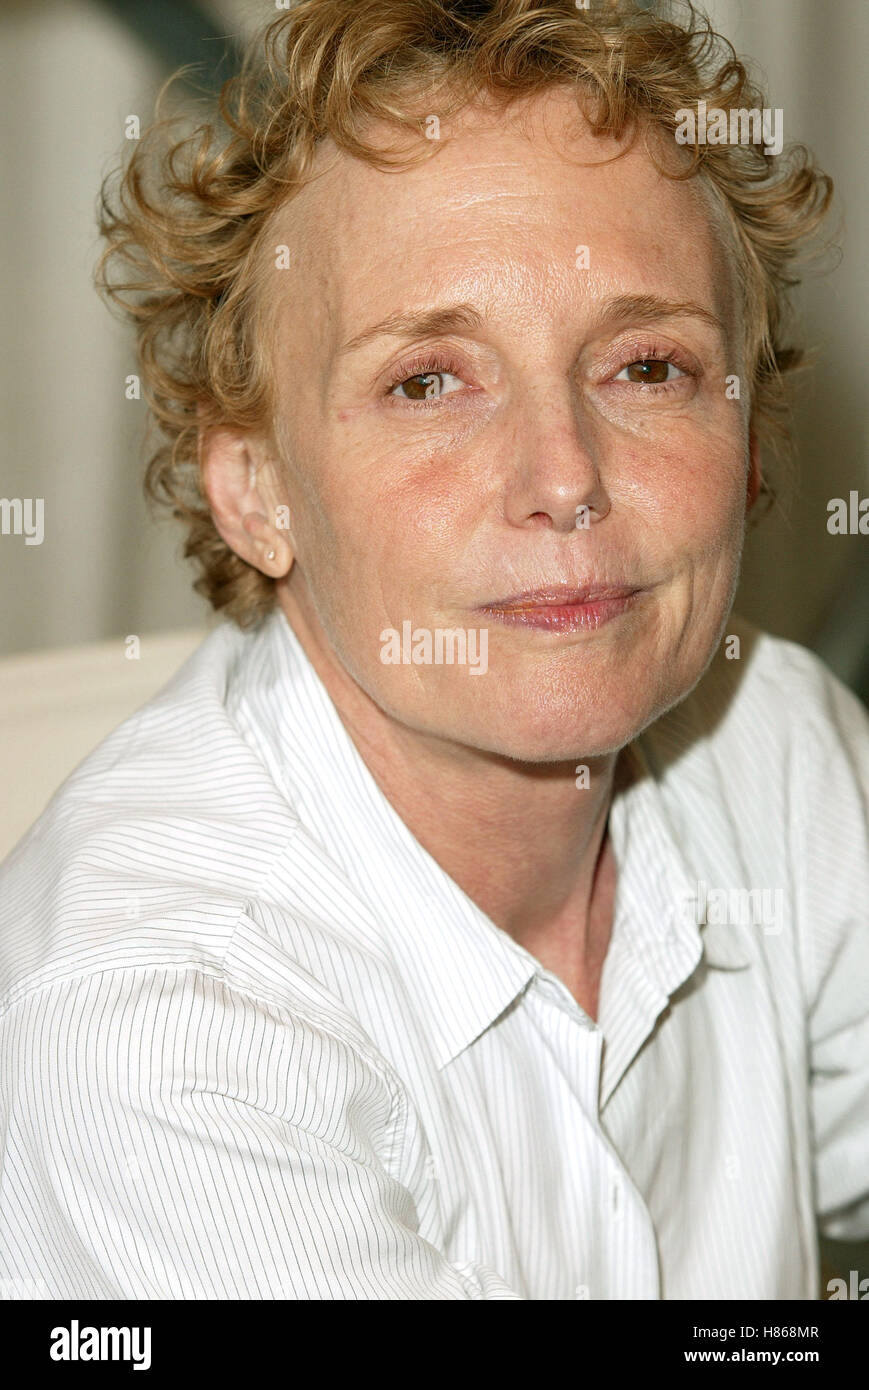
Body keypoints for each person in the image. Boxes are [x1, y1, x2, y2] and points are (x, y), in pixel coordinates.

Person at [0, 0, 866, 1301]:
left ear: (749, 445)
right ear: (255, 490)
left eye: (645, 366)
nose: (563, 477)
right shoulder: (167, 1020)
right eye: (426, 381)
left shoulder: (773, 741)